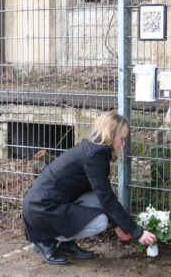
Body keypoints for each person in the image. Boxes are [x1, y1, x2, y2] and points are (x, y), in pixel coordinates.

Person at [22, 110, 157, 264]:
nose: (123, 143)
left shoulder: (93, 150)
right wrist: (137, 232)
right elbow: (107, 199)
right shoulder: (95, 156)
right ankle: (47, 240)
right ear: (111, 135)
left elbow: (101, 195)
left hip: (43, 204)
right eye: (122, 138)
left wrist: (117, 225)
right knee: (100, 221)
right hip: (42, 209)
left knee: (97, 200)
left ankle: (65, 242)